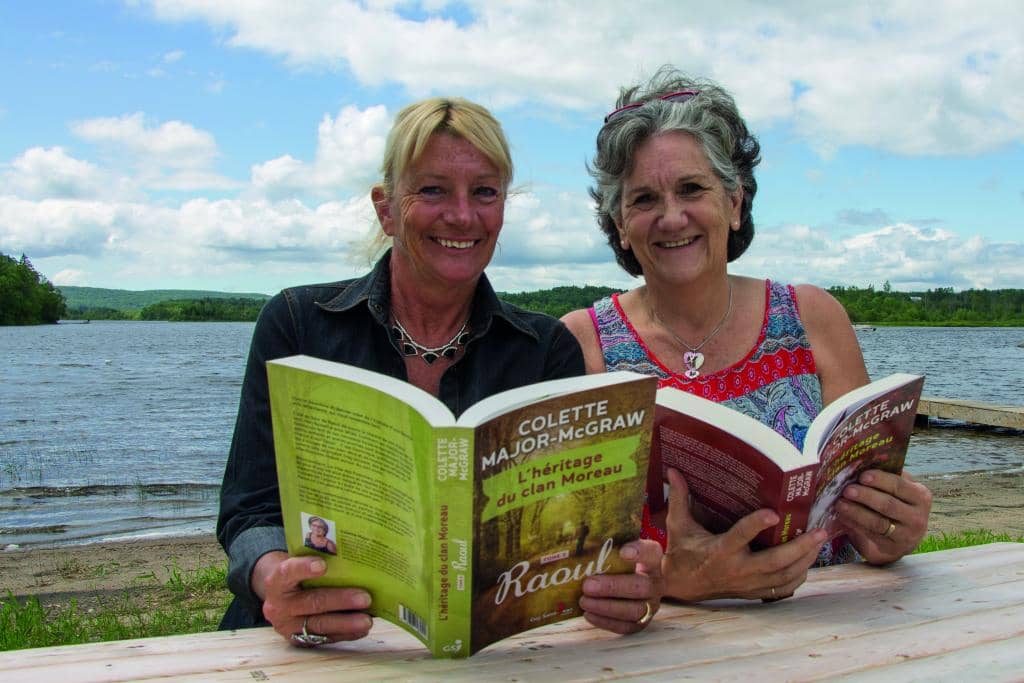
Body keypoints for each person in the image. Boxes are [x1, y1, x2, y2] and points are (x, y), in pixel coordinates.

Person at [217, 96, 663, 647]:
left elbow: (565, 525)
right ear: (385, 208)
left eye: (484, 192)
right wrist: (275, 577)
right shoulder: (297, 324)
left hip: (488, 655)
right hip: (309, 641)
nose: (462, 215)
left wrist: (616, 582)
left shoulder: (545, 349)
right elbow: (248, 510)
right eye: (432, 190)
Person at [562, 67, 932, 604]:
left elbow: (868, 510)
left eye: (692, 188)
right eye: (643, 199)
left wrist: (892, 528)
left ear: (734, 204)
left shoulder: (812, 316)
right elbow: (562, 554)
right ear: (618, 222)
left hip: (831, 628)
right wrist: (673, 579)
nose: (671, 217)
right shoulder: (581, 343)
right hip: (664, 651)